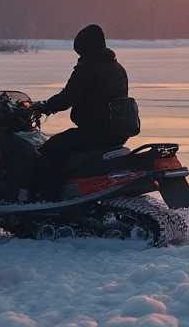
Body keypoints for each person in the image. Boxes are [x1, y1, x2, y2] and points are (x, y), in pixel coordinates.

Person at [36, 24, 131, 199]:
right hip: (116, 133)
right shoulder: (117, 68)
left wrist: (44, 107)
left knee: (49, 150)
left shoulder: (88, 67)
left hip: (95, 132)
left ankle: (48, 198)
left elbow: (68, 97)